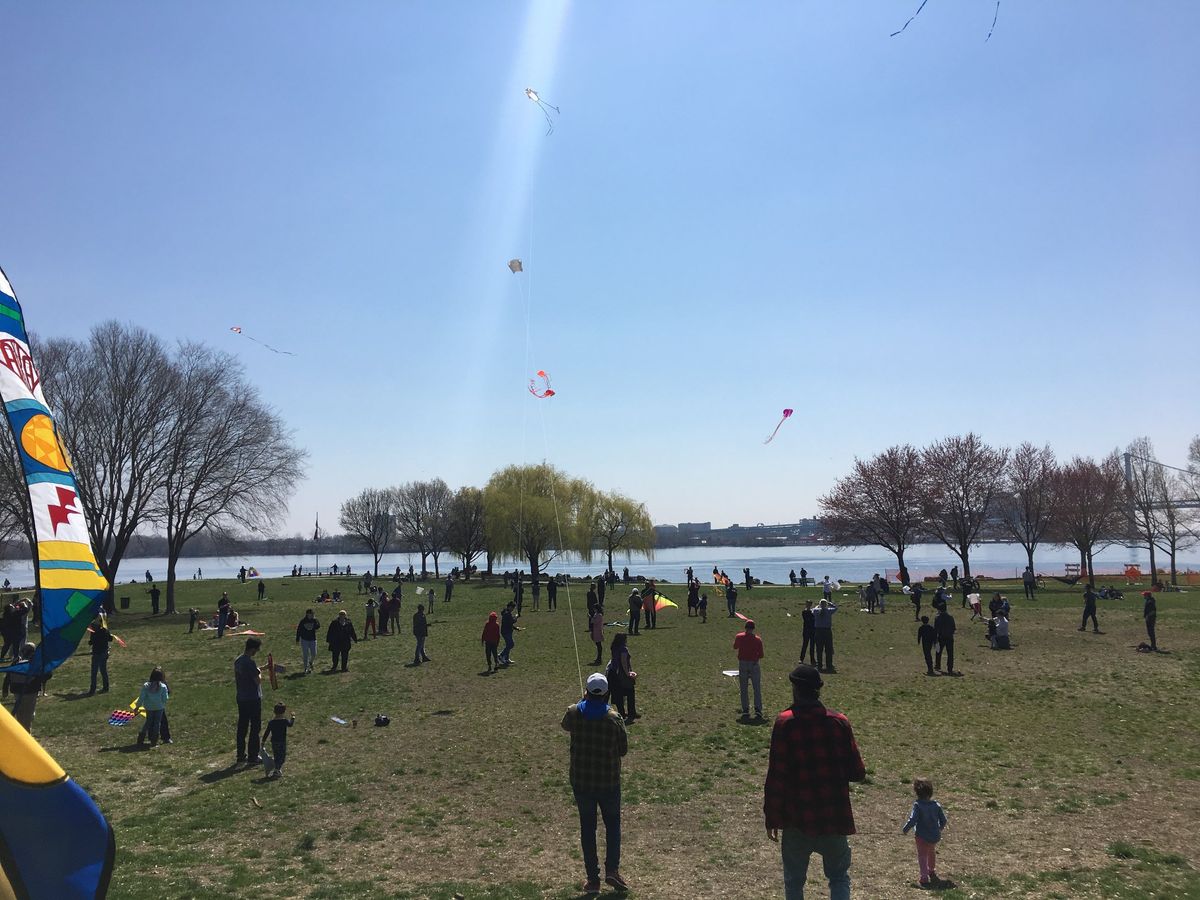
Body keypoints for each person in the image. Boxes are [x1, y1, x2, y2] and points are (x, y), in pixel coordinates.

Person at [764, 664, 866, 900]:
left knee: (794, 882)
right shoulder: (839, 722)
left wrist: (772, 817)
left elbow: (776, 775)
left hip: (797, 818)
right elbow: (858, 772)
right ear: (818, 690)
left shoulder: (785, 723)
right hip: (833, 815)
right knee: (839, 877)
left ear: (795, 689)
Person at [561, 672, 629, 894]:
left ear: (587, 692)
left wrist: (581, 702)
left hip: (582, 782)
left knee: (588, 828)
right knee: (613, 826)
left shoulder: (574, 712)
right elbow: (623, 750)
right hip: (608, 781)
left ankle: (593, 879)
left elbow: (565, 725)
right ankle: (612, 871)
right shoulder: (614, 718)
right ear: (607, 693)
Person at [902, 778, 948, 888]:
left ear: (917, 793)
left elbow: (913, 820)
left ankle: (924, 877)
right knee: (931, 852)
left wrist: (905, 829)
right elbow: (944, 820)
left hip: (921, 836)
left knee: (922, 855)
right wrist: (939, 829)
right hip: (934, 835)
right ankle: (931, 870)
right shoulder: (936, 805)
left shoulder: (918, 805)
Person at [234, 637, 264, 766]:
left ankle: (240, 755)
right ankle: (253, 755)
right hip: (252, 698)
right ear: (253, 649)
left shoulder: (238, 661)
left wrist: (260, 669)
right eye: (257, 649)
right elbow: (257, 680)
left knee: (242, 727)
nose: (257, 651)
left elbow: (248, 673)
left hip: (241, 697)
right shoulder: (250, 663)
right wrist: (260, 673)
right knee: (255, 727)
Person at [734, 619, 765, 720]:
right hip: (754, 664)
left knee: (743, 688)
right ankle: (758, 709)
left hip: (743, 664)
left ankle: (746, 710)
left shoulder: (739, 637)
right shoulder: (758, 640)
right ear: (753, 628)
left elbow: (735, 647)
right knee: (756, 688)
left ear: (745, 627)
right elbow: (761, 655)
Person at [606, 633, 637, 723]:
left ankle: (622, 714)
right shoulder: (623, 649)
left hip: (613, 673)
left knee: (618, 694)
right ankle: (631, 713)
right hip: (621, 674)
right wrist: (628, 674)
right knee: (630, 692)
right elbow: (623, 662)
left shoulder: (614, 647)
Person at [136, 667, 170, 747]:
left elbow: (141, 697)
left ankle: (140, 739)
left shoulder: (146, 686)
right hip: (159, 707)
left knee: (148, 722)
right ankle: (154, 741)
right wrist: (162, 702)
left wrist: (137, 706)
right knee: (157, 723)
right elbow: (165, 699)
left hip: (149, 707)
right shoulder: (163, 686)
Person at [261, 702, 295, 778]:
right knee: (282, 757)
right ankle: (277, 770)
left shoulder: (271, 722)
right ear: (284, 712)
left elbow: (267, 732)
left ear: (274, 711)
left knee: (276, 756)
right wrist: (293, 717)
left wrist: (263, 741)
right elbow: (290, 724)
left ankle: (277, 769)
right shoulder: (284, 721)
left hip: (274, 742)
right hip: (282, 742)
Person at [87, 618, 113, 694]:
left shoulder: (94, 632)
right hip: (104, 653)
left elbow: (91, 642)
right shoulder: (105, 631)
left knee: (94, 672)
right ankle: (106, 687)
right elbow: (110, 639)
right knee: (103, 671)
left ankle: (92, 689)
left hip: (96, 653)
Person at [812, 599, 838, 673]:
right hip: (827, 631)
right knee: (828, 649)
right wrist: (830, 603)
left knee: (819, 649)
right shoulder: (829, 610)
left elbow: (813, 609)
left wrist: (818, 605)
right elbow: (836, 608)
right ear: (826, 604)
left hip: (818, 631)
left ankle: (819, 665)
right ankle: (829, 665)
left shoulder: (816, 611)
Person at [295, 609, 320, 674]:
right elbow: (299, 630)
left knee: (314, 653)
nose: (312, 615)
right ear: (307, 614)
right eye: (311, 614)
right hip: (304, 640)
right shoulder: (303, 621)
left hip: (313, 639)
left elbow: (318, 626)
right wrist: (297, 639)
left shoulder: (314, 620)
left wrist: (315, 620)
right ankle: (306, 668)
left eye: (313, 614)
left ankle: (311, 662)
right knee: (305, 655)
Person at [934, 607, 957, 675]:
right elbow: (953, 627)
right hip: (949, 637)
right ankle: (950, 668)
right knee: (950, 653)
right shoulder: (950, 617)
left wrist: (936, 638)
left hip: (941, 637)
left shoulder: (937, 618)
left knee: (938, 652)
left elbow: (936, 629)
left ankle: (938, 665)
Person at [500, 601, 519, 666]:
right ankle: (501, 655)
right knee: (511, 644)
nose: (513, 609)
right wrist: (516, 617)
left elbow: (509, 623)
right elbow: (512, 621)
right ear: (510, 607)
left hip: (507, 631)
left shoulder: (507, 613)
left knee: (509, 644)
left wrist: (516, 628)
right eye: (512, 608)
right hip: (506, 632)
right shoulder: (507, 614)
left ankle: (506, 658)